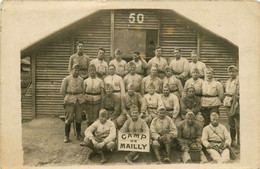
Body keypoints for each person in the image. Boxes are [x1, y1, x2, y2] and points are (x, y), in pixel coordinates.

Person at [60, 64, 85, 143]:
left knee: (78, 118)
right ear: (71, 70)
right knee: (69, 118)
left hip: (79, 100)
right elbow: (62, 91)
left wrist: (80, 97)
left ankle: (78, 134)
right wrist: (67, 98)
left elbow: (83, 90)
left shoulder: (81, 80)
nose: (76, 72)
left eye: (78, 70)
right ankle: (66, 136)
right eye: (75, 70)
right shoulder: (66, 79)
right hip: (70, 99)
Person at [223, 65, 240, 148]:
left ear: (236, 72)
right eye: (230, 72)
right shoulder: (228, 81)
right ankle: (233, 140)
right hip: (228, 102)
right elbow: (227, 91)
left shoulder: (239, 80)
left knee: (238, 123)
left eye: (233, 71)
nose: (231, 73)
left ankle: (239, 142)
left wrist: (236, 99)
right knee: (231, 122)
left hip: (236, 102)